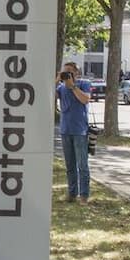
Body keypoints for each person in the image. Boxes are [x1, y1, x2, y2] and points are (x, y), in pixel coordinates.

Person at [56, 61, 92, 204]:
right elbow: (48, 95)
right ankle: (72, 193)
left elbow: (85, 99)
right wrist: (57, 79)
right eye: (65, 72)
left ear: (76, 72)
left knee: (82, 165)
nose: (67, 74)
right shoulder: (61, 87)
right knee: (70, 165)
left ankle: (84, 195)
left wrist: (73, 86)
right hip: (65, 130)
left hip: (80, 130)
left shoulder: (84, 84)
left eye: (69, 71)